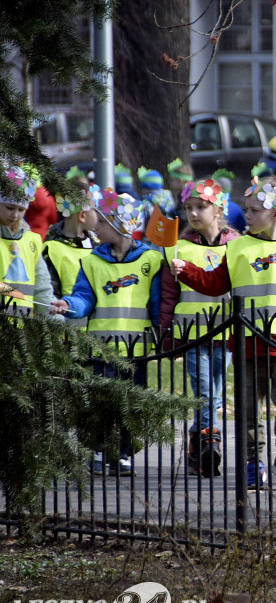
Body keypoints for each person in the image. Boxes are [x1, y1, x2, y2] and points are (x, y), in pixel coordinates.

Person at [170, 176, 276, 490]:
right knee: (250, 411)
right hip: (247, 344)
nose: (246, 216)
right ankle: (255, 463)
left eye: (253, 211)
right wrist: (186, 270)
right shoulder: (237, 246)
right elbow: (215, 283)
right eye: (247, 210)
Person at [50, 189, 162, 476]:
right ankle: (98, 450)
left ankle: (123, 453)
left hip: (136, 350)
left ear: (120, 225)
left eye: (101, 223)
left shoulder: (151, 260)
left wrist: (165, 336)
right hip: (100, 347)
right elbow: (84, 297)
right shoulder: (90, 261)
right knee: (99, 402)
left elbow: (158, 304)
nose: (95, 228)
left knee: (129, 404)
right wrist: (69, 305)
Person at [159, 178, 241, 478]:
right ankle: (211, 445)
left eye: (201, 207)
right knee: (205, 393)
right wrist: (167, 336)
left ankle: (196, 447)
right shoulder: (177, 248)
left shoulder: (237, 245)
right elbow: (169, 296)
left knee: (214, 395)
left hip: (226, 333)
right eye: (189, 208)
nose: (193, 214)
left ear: (218, 209)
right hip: (193, 332)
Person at [1, 163, 56, 318]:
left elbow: (41, 286)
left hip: (23, 327)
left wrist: (53, 320)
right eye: (9, 208)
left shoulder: (31, 240)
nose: (15, 215)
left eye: (21, 210)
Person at [44, 183, 101, 329]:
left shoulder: (100, 247)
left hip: (96, 331)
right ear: (83, 215)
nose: (100, 217)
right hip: (67, 333)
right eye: (96, 212)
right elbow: (49, 295)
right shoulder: (51, 249)